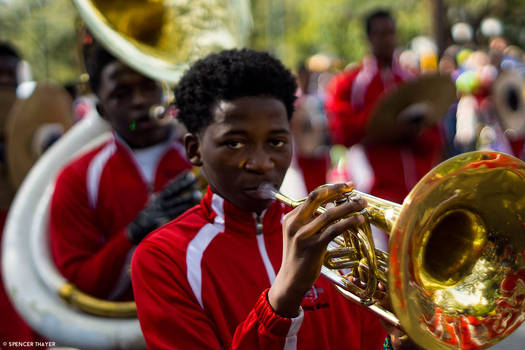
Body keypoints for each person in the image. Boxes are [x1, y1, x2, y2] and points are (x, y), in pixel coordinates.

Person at [130, 48, 410, 349]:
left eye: (276, 142)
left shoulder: (332, 240)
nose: (262, 163)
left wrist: (397, 343)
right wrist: (283, 298)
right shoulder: (162, 259)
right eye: (235, 143)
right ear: (194, 150)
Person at [48, 41, 199, 301]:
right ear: (102, 110)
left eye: (148, 87)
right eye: (122, 93)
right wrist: (134, 233)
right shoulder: (76, 177)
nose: (140, 101)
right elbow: (82, 281)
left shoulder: (206, 156)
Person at [324, 9, 444, 205]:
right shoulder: (350, 83)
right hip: (374, 192)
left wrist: (415, 131)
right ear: (369, 38)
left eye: (390, 32)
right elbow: (341, 133)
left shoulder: (411, 80)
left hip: (417, 191)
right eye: (380, 34)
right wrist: (386, 125)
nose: (386, 39)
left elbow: (435, 137)